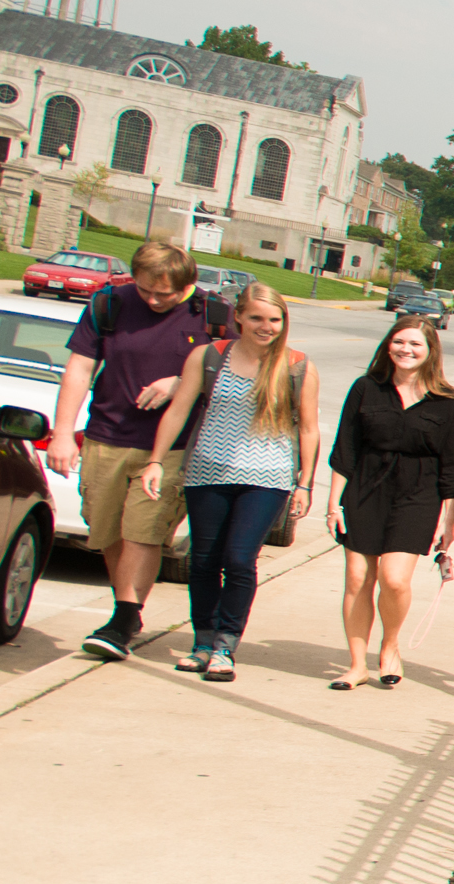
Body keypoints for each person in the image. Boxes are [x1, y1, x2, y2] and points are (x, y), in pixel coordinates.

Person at [45, 237, 229, 661]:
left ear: (187, 284)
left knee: (142, 534)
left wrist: (182, 382)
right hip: (107, 436)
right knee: (108, 532)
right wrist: (62, 433)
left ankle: (124, 620)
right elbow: (80, 368)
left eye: (163, 293)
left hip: (173, 449)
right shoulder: (108, 304)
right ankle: (126, 611)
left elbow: (237, 371)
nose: (152, 300)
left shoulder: (214, 316)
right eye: (145, 289)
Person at [135, 281, 318, 682]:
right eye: (256, 317)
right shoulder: (209, 357)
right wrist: (155, 461)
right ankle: (202, 641)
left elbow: (308, 429)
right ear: (238, 316)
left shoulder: (297, 366)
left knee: (238, 559)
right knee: (203, 559)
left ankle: (225, 645)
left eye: (274, 319)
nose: (265, 326)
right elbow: (179, 409)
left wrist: (305, 484)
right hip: (208, 472)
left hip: (267, 478)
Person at [327, 317, 454, 690]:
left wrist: (449, 521)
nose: (406, 350)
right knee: (358, 578)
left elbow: (453, 468)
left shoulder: (449, 403)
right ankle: (357, 664)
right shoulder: (366, 389)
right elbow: (344, 451)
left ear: (430, 352)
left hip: (418, 497)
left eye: (415, 344)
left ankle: (390, 645)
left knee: (393, 579)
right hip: (365, 491)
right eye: (399, 342)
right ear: (388, 345)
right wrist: (333, 505)